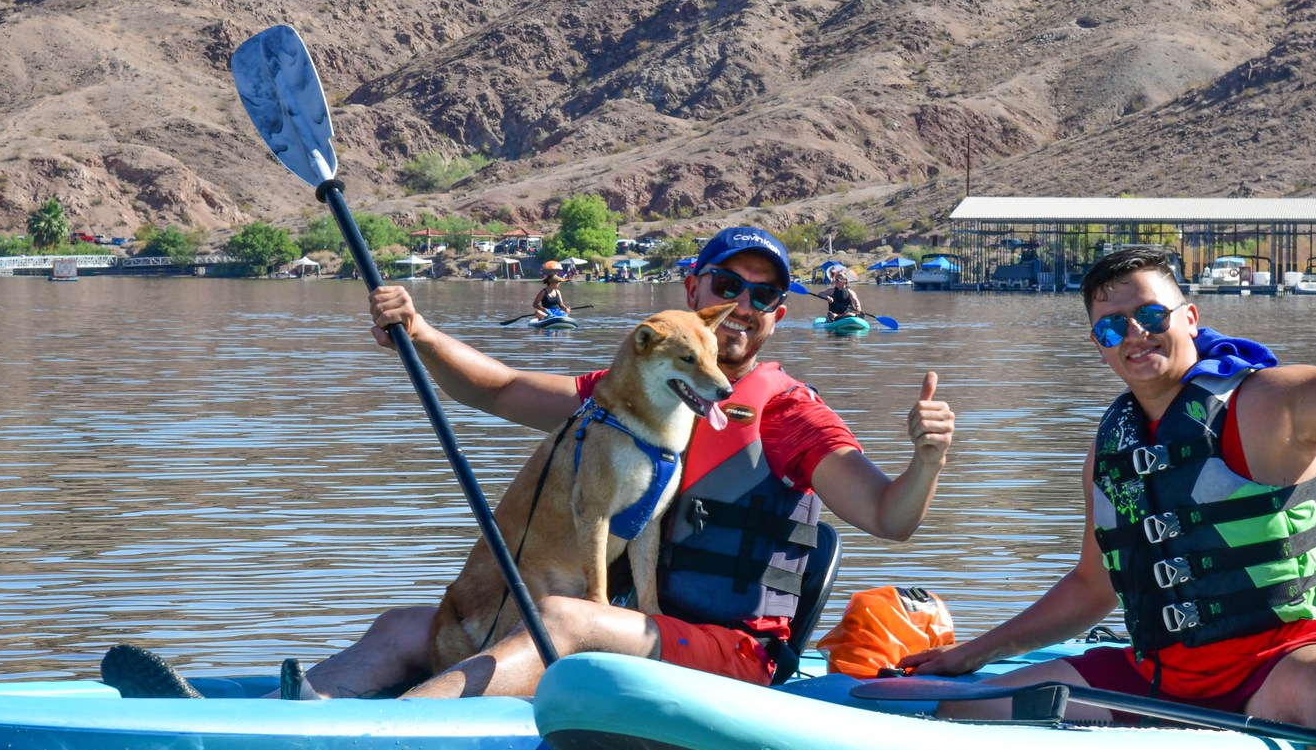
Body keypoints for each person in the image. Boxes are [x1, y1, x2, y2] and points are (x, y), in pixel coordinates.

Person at [902, 166, 1316, 750]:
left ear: (1189, 317)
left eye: (1150, 314)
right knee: (960, 708)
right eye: (1112, 327)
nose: (1134, 334)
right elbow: (1092, 587)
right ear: (1098, 347)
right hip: (1157, 682)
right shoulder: (1110, 449)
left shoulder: (1270, 403)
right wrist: (967, 655)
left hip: (1279, 673)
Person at [303, 224, 956, 700]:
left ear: (777, 317)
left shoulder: (787, 415)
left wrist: (925, 462)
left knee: (562, 617)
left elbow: (886, 514)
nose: (743, 308)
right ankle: (294, 709)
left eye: (762, 297)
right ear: (695, 288)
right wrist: (419, 332)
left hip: (728, 655)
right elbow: (498, 388)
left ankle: (401, 730)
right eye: (730, 285)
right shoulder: (631, 393)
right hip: (635, 627)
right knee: (414, 625)